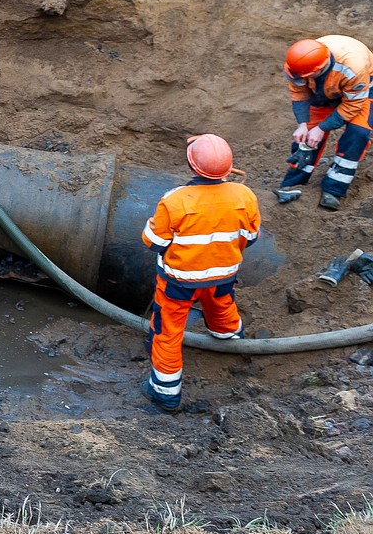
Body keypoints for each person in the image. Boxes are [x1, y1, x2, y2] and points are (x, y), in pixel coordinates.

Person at [141, 134, 260, 413]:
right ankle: (228, 337)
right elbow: (251, 236)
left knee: (167, 330)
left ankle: (165, 393)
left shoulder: (175, 200)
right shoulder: (245, 195)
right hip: (223, 274)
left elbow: (153, 242)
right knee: (221, 304)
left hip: (179, 281)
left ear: (193, 166)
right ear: (229, 168)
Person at [277, 35, 373, 210]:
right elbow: (299, 94)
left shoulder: (353, 69)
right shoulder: (297, 67)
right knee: (306, 137)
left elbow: (353, 105)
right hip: (324, 84)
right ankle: (292, 183)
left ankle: (334, 189)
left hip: (362, 89)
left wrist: (322, 128)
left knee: (357, 135)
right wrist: (303, 125)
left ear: (318, 70)